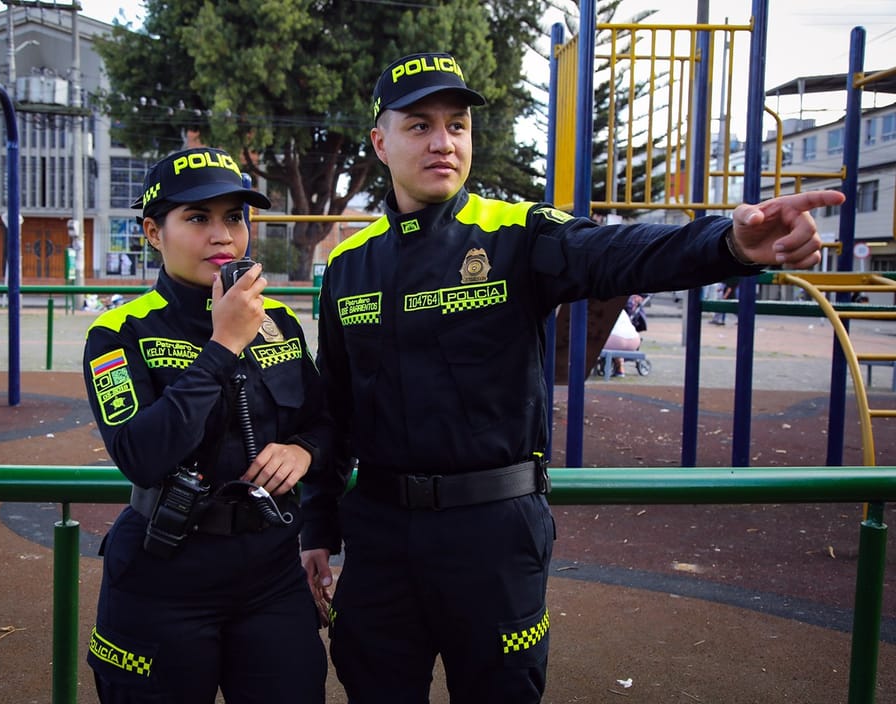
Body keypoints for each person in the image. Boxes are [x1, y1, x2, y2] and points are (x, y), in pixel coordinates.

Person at [299, 51, 845, 704]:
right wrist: (318, 529)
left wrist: (727, 246)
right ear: (380, 142)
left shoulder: (517, 233)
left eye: (457, 125)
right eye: (419, 125)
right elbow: (332, 410)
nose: (443, 141)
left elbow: (617, 253)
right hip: (379, 535)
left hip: (494, 533)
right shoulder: (351, 265)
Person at [82, 146, 328, 703]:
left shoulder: (281, 322)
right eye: (198, 218)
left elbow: (326, 422)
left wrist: (304, 451)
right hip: (161, 575)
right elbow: (140, 455)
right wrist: (222, 345)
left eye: (234, 217)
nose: (223, 236)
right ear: (152, 231)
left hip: (270, 575)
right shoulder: (119, 331)